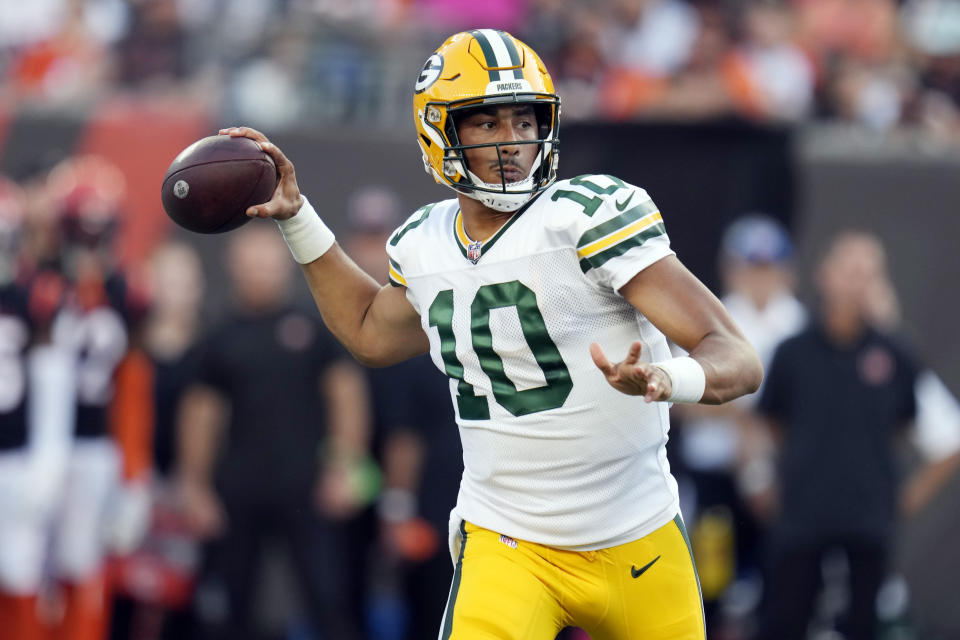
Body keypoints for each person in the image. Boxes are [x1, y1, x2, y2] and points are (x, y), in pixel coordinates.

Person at [223, 28, 763, 639]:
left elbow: (738, 358)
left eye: (523, 120)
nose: (512, 141)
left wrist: (670, 377)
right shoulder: (425, 242)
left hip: (638, 538)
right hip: (510, 543)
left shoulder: (587, 217)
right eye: (486, 124)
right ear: (440, 132)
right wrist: (298, 218)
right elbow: (371, 333)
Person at [176, 224, 370, 640]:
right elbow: (200, 413)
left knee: (328, 604)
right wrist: (195, 486)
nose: (259, 270)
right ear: (234, 266)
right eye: (251, 262)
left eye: (267, 261)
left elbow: (346, 394)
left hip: (308, 488)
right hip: (238, 491)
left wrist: (346, 468)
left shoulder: (312, 325)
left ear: (284, 265)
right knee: (233, 609)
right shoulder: (220, 337)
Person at [755, 232, 949, 640]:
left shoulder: (897, 352)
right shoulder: (792, 351)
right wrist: (770, 477)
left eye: (869, 273)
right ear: (825, 274)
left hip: (868, 523)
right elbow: (770, 422)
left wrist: (898, 498)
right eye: (850, 270)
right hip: (801, 517)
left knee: (862, 626)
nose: (858, 282)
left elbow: (906, 425)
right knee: (783, 622)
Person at [673, 214, 806, 634]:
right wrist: (750, 414)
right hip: (716, 477)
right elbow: (677, 394)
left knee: (780, 584)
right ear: (731, 268)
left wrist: (736, 404)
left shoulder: (800, 326)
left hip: (782, 480)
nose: (760, 280)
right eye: (751, 268)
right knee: (710, 582)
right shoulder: (710, 321)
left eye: (769, 269)